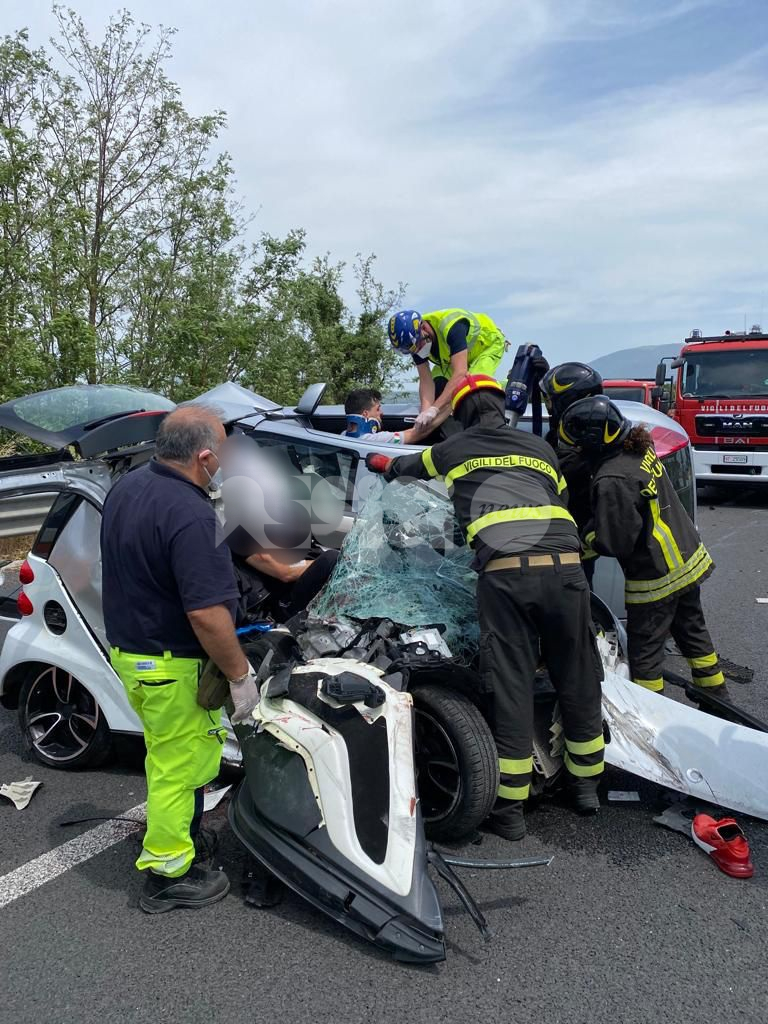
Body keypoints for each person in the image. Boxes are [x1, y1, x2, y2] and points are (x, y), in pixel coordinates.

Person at [366, 373, 605, 840]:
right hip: (566, 570)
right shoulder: (539, 447)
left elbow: (404, 468)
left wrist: (379, 460)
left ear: (460, 414)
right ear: (500, 405)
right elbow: (553, 497)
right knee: (577, 674)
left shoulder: (453, 448)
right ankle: (586, 789)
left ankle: (510, 810)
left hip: (508, 574)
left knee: (512, 683)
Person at [100, 405, 260, 913]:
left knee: (171, 756)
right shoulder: (191, 514)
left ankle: (183, 837)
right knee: (178, 768)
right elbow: (208, 615)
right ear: (204, 456)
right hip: (171, 665)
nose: (225, 462)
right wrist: (239, 675)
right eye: (223, 453)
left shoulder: (127, 488)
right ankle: (169, 873)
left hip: (133, 655)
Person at [559, 395, 724, 696]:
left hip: (656, 574)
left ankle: (651, 710)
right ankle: (716, 698)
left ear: (593, 443)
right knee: (694, 635)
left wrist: (584, 539)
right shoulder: (638, 450)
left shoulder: (612, 478)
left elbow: (616, 541)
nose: (575, 450)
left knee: (645, 652)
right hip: (687, 561)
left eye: (578, 445)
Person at [388, 309, 507, 430]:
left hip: (486, 346)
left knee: (470, 389)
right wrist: (424, 413)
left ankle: (502, 387)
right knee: (439, 384)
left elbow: (460, 373)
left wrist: (434, 409)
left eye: (417, 346)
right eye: (412, 350)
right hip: (455, 357)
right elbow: (426, 381)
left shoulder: (452, 327)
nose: (417, 351)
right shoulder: (414, 343)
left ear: (423, 328)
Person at [540, 362, 604, 579]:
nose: (548, 406)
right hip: (569, 545)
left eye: (551, 400)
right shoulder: (570, 434)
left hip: (575, 551)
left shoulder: (586, 448)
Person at [343, 387, 450, 445]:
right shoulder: (376, 440)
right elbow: (417, 434)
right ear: (365, 414)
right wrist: (451, 404)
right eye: (378, 409)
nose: (382, 413)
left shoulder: (342, 437)